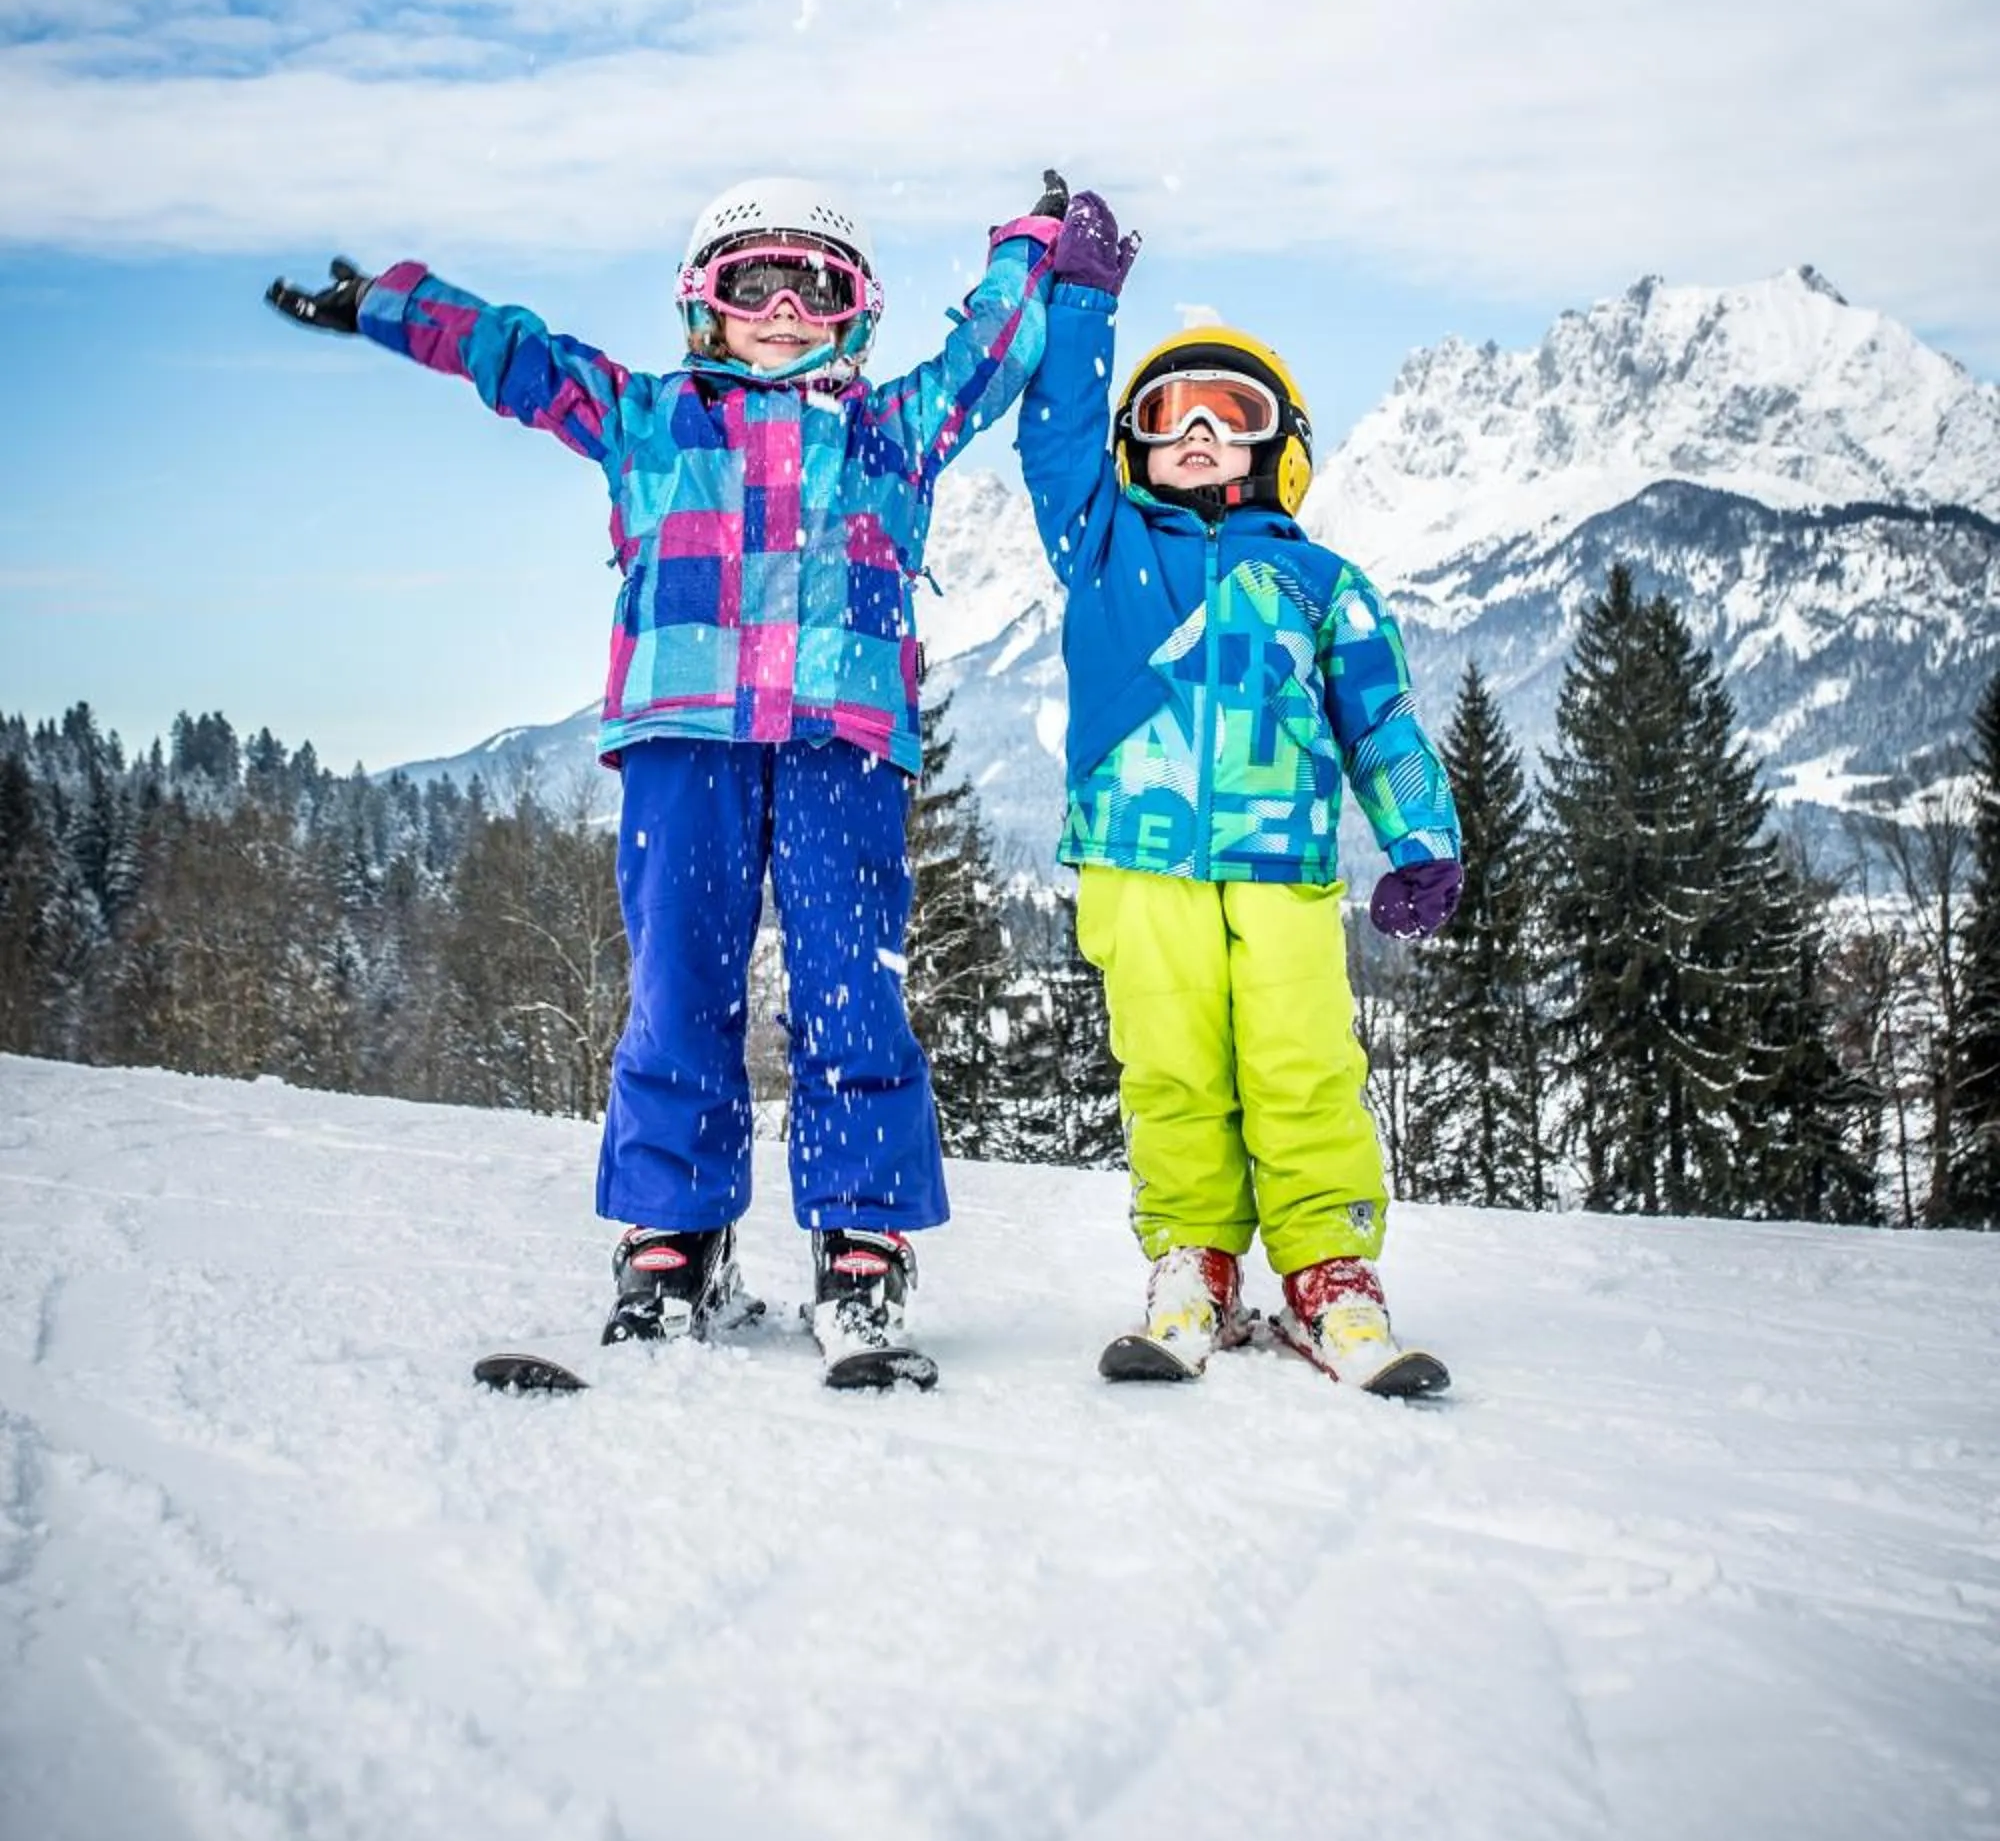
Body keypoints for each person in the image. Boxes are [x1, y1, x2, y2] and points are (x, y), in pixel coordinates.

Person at [266, 170, 1068, 1381]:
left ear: (856, 312)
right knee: (679, 981)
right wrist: (392, 306)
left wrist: (1027, 245)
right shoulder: (646, 417)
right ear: (705, 303)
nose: (786, 307)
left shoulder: (893, 427)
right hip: (680, 735)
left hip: (840, 741)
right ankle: (673, 1240)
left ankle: (860, 1245)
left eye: (818, 284)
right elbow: (518, 358)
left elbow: (990, 357)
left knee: (852, 987)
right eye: (757, 282)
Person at [1018, 198, 1463, 1394]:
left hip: (1279, 867)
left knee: (1301, 1063)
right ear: (1134, 445)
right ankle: (1192, 1261)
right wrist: (1077, 305)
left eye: (1233, 414)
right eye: (1170, 416)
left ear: (1279, 443)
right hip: (1134, 859)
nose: (1202, 433)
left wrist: (1421, 839)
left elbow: (1380, 718)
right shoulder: (1103, 546)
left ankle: (1329, 1273)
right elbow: (1054, 441)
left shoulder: (1320, 581)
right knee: (1170, 1068)